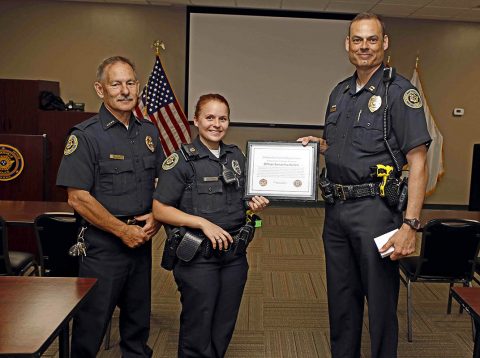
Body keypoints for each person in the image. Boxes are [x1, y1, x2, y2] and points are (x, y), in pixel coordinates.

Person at [298, 13, 431, 358]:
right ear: (347, 45)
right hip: (336, 212)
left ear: (384, 43)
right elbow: (350, 148)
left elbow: (418, 162)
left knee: (382, 306)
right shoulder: (340, 92)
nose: (364, 47)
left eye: (372, 39)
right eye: (357, 40)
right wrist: (320, 145)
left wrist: (410, 225)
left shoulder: (401, 93)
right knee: (341, 302)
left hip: (377, 211)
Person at [56, 56, 164, 358]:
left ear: (138, 87)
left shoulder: (149, 132)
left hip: (141, 242)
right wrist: (122, 231)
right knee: (92, 324)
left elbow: (162, 181)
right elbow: (77, 197)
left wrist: (156, 215)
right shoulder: (86, 136)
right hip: (104, 245)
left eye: (130, 83)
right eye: (116, 83)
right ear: (100, 89)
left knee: (137, 323)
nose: (125, 90)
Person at [152, 94, 269, 358]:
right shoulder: (180, 161)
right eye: (209, 117)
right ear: (196, 120)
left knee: (223, 324)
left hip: (234, 256)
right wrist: (202, 223)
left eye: (222, 118)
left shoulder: (235, 156)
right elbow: (160, 209)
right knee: (198, 325)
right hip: (198, 258)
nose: (216, 124)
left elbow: (242, 198)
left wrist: (254, 203)